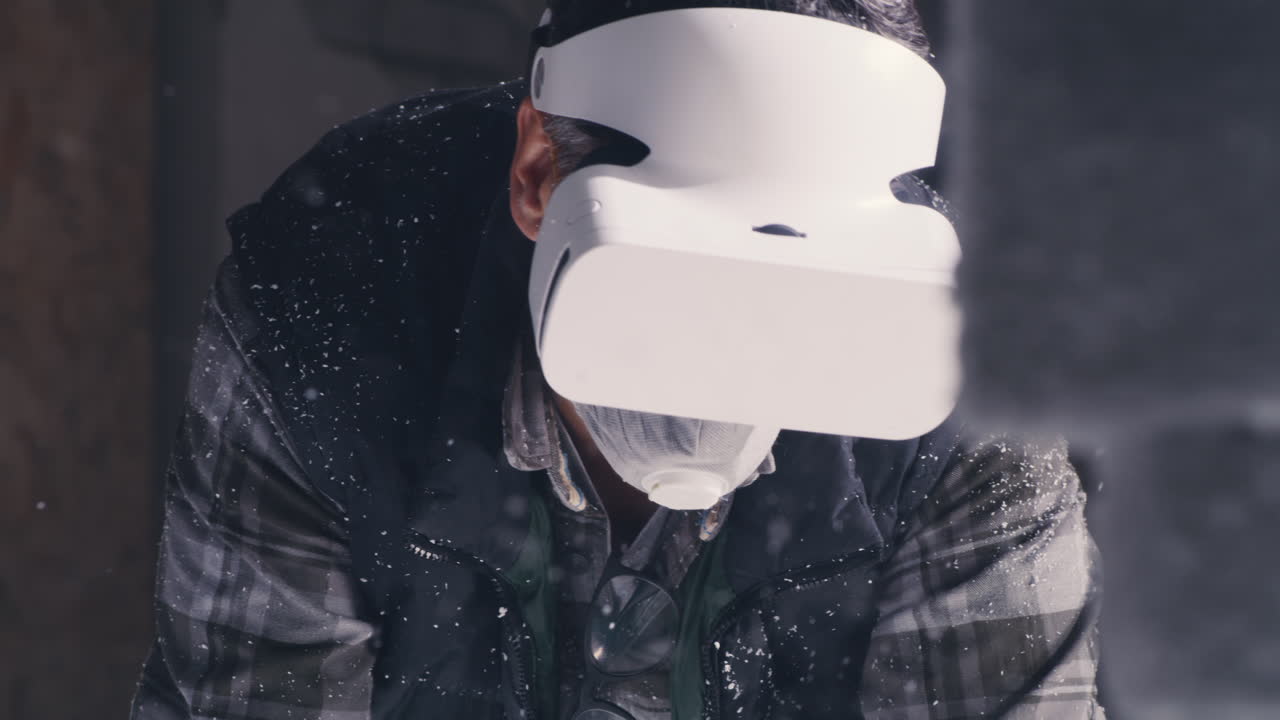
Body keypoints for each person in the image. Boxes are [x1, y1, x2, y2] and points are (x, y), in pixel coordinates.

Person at [130, 1, 1103, 718]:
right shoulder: (336, 312)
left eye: (787, 299)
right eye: (683, 283)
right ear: (539, 176)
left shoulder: (964, 390)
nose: (720, 365)